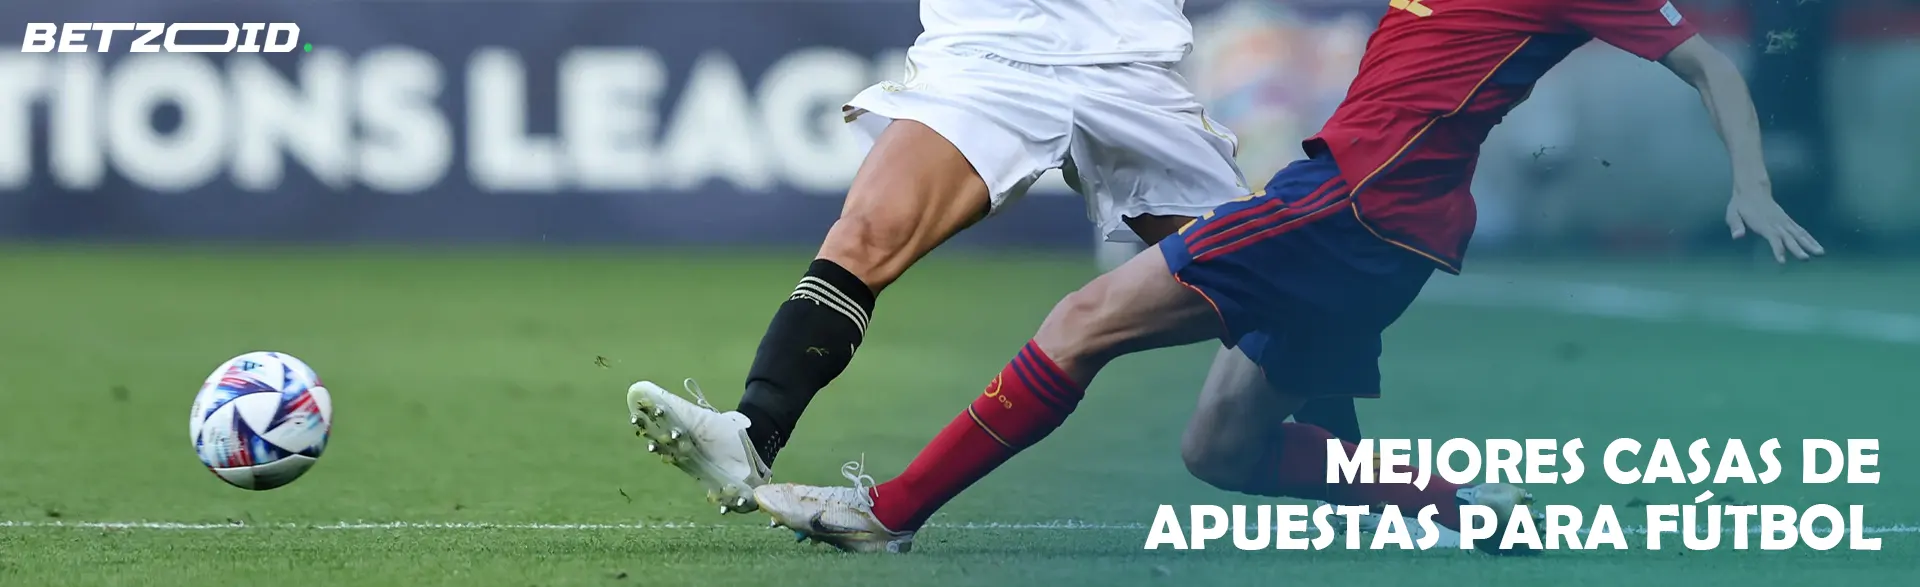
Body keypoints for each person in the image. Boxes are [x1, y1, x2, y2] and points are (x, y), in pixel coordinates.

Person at [747, 0, 1826, 554]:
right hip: (1386, 230)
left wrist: (1753, 183)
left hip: (1352, 206)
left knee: (1080, 320)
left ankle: (885, 513)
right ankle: (1478, 508)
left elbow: (1711, 62)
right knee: (1222, 449)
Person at [622, 0, 1372, 516]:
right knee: (868, 232)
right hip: (989, 53)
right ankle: (750, 433)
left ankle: (1348, 471)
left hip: (1131, 64)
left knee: (1272, 285)